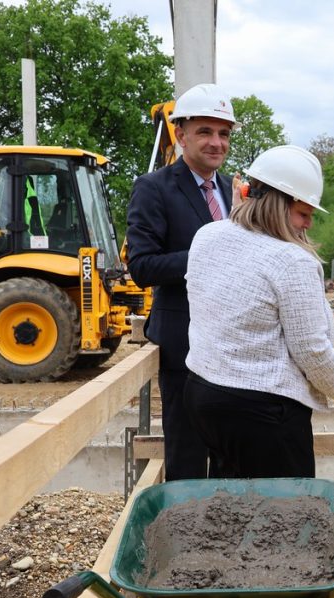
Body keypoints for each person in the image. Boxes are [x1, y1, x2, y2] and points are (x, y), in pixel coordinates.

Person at [184, 145, 334, 598]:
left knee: (229, 518)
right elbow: (311, 349)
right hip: (263, 411)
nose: (308, 224)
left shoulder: (207, 236)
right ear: (278, 202)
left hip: (206, 395)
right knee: (280, 527)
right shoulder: (291, 262)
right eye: (304, 212)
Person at [126, 83, 236, 482]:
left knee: (229, 455)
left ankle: (223, 522)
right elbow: (142, 266)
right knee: (188, 457)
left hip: (232, 345)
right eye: (205, 132)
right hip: (184, 346)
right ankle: (186, 522)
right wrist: (209, 255)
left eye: (223, 133)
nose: (216, 142)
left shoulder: (231, 191)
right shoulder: (154, 188)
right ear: (180, 134)